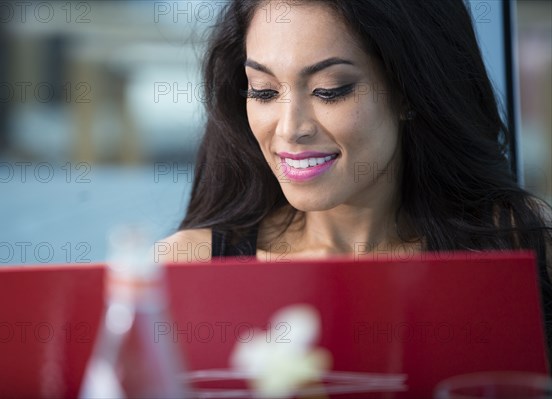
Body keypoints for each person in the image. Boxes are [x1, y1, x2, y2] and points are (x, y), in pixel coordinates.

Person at [157, 0, 552, 357]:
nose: (290, 129)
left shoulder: (518, 245)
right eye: (263, 91)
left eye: (330, 90)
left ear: (409, 92)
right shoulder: (187, 265)